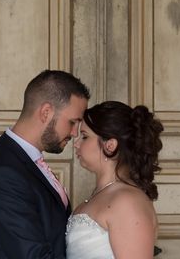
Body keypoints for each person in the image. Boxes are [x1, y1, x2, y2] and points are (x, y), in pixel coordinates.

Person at [0, 70, 90, 258]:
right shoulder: (4, 175)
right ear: (46, 112)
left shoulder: (21, 161)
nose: (75, 133)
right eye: (72, 122)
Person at [66, 101, 164, 259]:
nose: (76, 144)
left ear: (110, 145)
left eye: (84, 137)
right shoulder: (100, 195)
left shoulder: (128, 202)